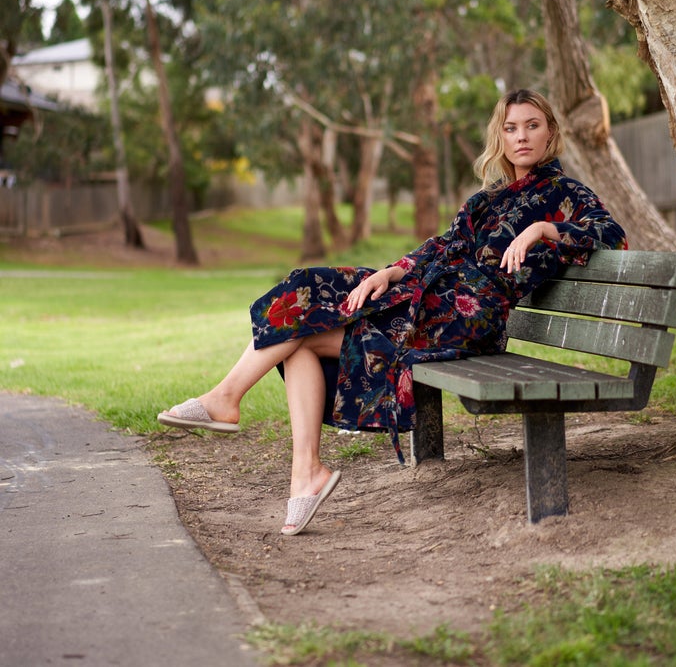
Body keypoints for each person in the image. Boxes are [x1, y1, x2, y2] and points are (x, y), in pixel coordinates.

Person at [158, 88, 628, 535]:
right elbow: (442, 245)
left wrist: (543, 229)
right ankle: (303, 472)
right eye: (511, 127)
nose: (521, 136)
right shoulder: (486, 198)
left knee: (299, 331)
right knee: (304, 295)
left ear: (551, 133)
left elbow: (613, 236)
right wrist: (391, 272)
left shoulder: (565, 193)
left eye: (532, 125)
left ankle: (242, 415)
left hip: (466, 317)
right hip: (427, 296)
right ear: (499, 136)